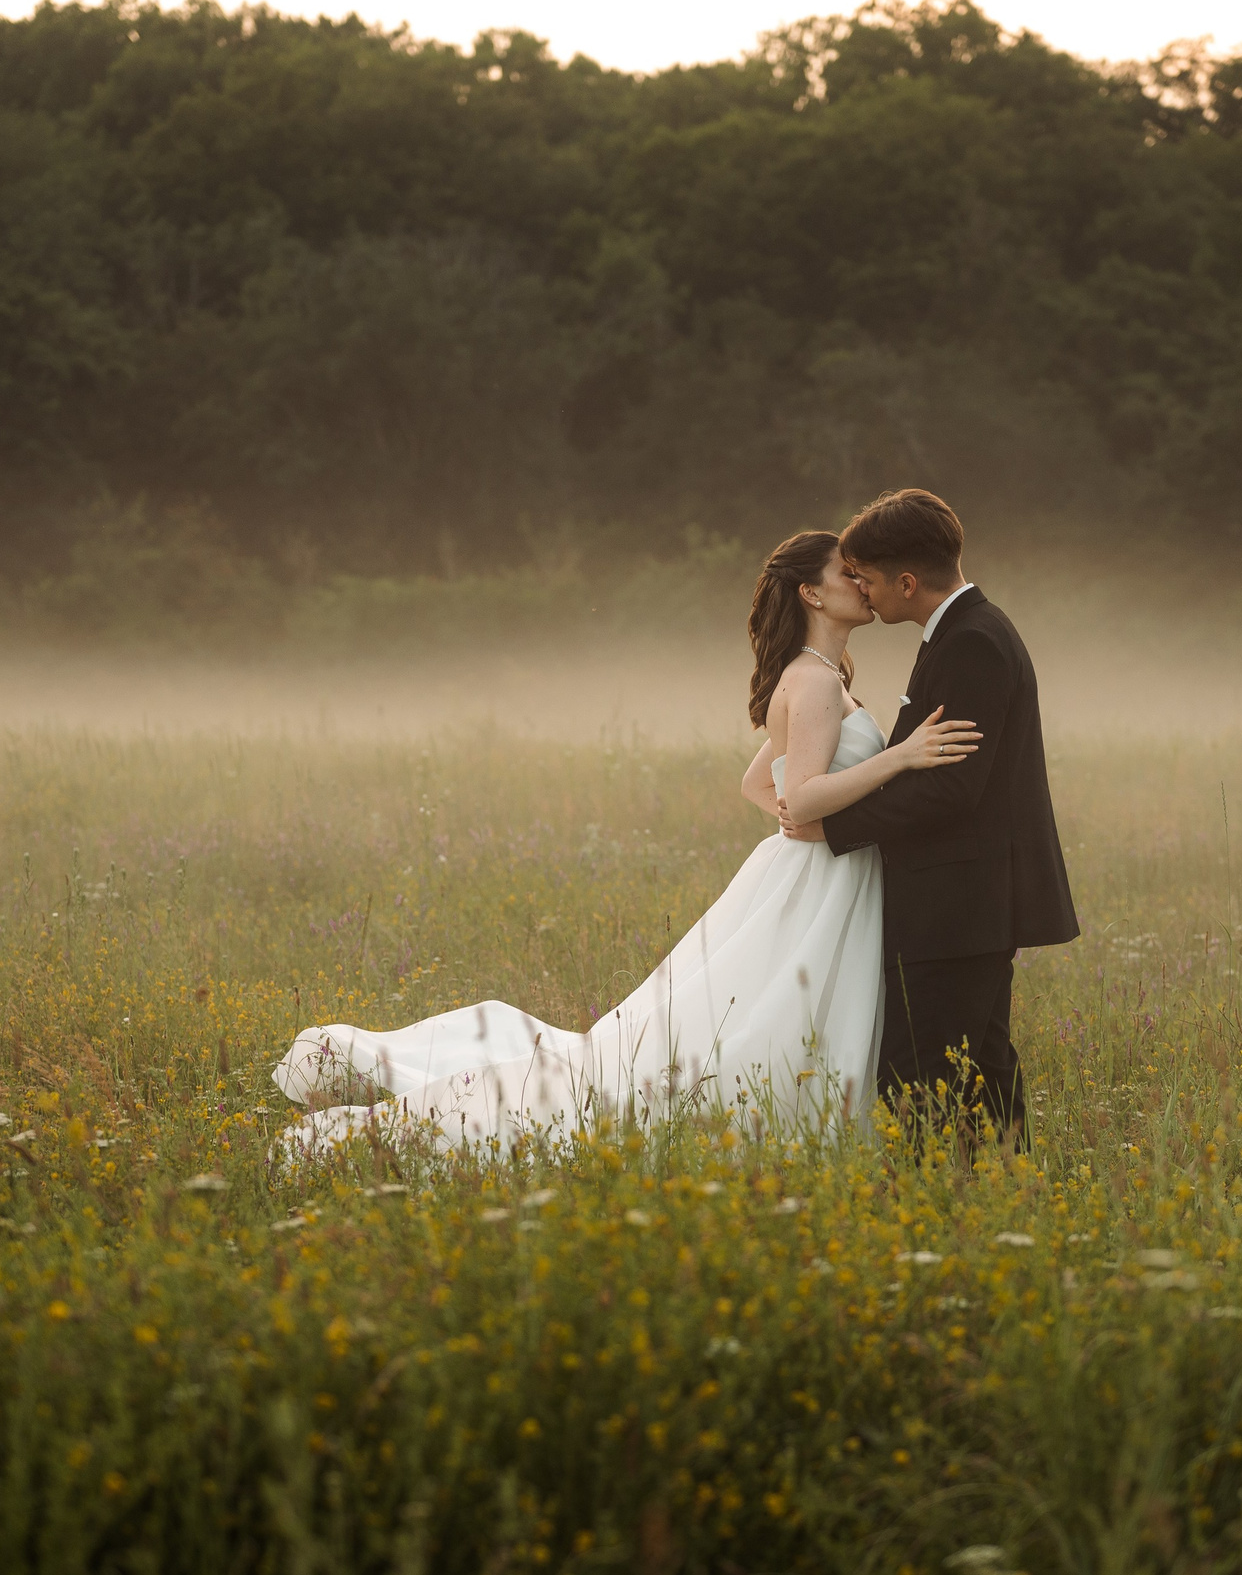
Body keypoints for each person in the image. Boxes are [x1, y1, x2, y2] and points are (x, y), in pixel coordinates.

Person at [273, 529, 981, 1149]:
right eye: (846, 575)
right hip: (823, 876)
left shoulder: (815, 676)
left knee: (771, 1013)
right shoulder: (818, 684)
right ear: (812, 595)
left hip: (813, 869)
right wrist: (899, 758)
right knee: (774, 1017)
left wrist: (801, 818)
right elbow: (797, 794)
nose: (862, 584)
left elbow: (758, 785)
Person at [780, 488, 1079, 1154]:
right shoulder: (963, 632)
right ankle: (1005, 1184)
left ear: (907, 581)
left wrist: (834, 827)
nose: (862, 589)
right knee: (983, 1063)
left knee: (919, 1071)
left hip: (957, 902)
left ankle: (938, 1202)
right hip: (964, 898)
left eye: (868, 578)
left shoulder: (971, 641)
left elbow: (951, 790)